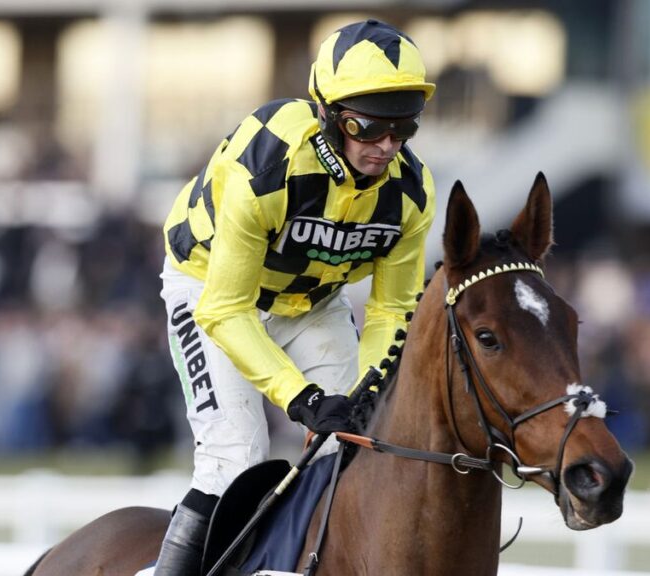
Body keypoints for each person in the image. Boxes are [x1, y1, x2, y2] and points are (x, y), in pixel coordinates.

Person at [154, 19, 437, 576]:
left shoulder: (412, 195)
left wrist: (365, 389)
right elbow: (225, 310)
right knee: (234, 459)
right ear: (328, 114)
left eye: (403, 127)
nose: (386, 146)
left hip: (312, 303)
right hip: (210, 290)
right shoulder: (264, 167)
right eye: (367, 126)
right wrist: (301, 398)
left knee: (357, 446)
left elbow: (391, 311)